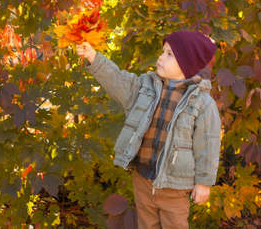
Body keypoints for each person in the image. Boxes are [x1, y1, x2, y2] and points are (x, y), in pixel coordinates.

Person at [76, 30, 221, 229]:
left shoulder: (202, 103)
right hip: (143, 179)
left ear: (186, 64)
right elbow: (117, 80)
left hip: (174, 187)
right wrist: (93, 57)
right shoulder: (144, 87)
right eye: (163, 52)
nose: (161, 57)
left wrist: (204, 183)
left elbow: (209, 144)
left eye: (169, 54)